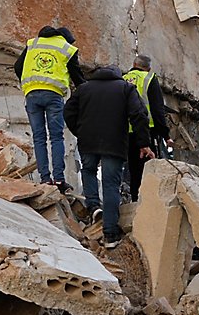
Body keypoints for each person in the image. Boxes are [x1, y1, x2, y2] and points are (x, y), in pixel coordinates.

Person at [64, 65, 154, 248]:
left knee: (88, 171)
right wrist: (143, 143)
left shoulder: (84, 88)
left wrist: (80, 131)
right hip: (114, 142)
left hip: (88, 140)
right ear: (118, 76)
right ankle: (110, 235)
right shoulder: (126, 88)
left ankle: (93, 207)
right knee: (110, 183)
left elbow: (68, 112)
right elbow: (139, 114)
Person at [14, 26, 85, 193]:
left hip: (32, 94)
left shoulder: (32, 44)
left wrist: (28, 83)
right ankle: (59, 179)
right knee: (56, 137)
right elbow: (77, 77)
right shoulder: (67, 48)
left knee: (39, 138)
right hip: (53, 95)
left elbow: (18, 67)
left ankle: (45, 179)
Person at [122, 55, 173, 202]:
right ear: (149, 68)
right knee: (147, 169)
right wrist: (165, 135)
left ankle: (134, 200)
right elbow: (157, 109)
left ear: (134, 64)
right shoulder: (149, 78)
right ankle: (148, 202)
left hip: (126, 132)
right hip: (146, 131)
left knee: (132, 169)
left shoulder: (122, 79)